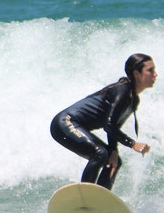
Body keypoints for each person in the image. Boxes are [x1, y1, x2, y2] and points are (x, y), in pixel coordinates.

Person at [50, 53, 157, 190]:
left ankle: (99, 196)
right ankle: (85, 194)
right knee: (100, 153)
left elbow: (114, 126)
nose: (155, 74)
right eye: (150, 70)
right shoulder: (123, 91)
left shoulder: (133, 99)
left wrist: (113, 151)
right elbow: (109, 125)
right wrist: (132, 144)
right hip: (65, 122)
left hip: (74, 125)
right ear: (137, 73)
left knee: (114, 161)